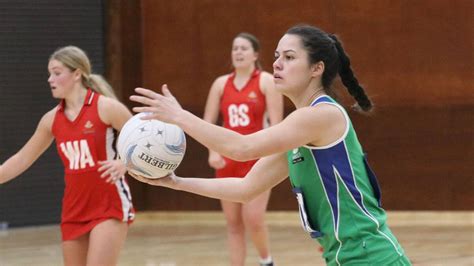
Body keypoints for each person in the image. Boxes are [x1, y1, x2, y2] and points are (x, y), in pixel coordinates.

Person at [130, 24, 411, 265]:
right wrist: (175, 182)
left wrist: (180, 117)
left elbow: (241, 148)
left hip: (371, 256)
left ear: (317, 68)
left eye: (289, 57)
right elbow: (245, 189)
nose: (276, 63)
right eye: (277, 56)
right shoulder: (300, 132)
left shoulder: (321, 115)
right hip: (343, 257)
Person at [0, 46, 135, 266]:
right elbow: (22, 159)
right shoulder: (51, 119)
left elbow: (145, 142)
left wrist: (124, 162)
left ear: (77, 74)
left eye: (56, 72)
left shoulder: (106, 107)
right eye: (49, 73)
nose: (50, 79)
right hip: (74, 207)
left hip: (108, 203)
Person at [203, 32, 283, 266]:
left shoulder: (266, 81)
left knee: (254, 219)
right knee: (233, 223)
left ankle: (266, 260)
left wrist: (272, 156)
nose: (238, 52)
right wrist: (212, 151)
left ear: (255, 54)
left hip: (256, 158)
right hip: (228, 159)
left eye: (244, 48)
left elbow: (278, 125)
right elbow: (207, 124)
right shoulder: (220, 84)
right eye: (235, 48)